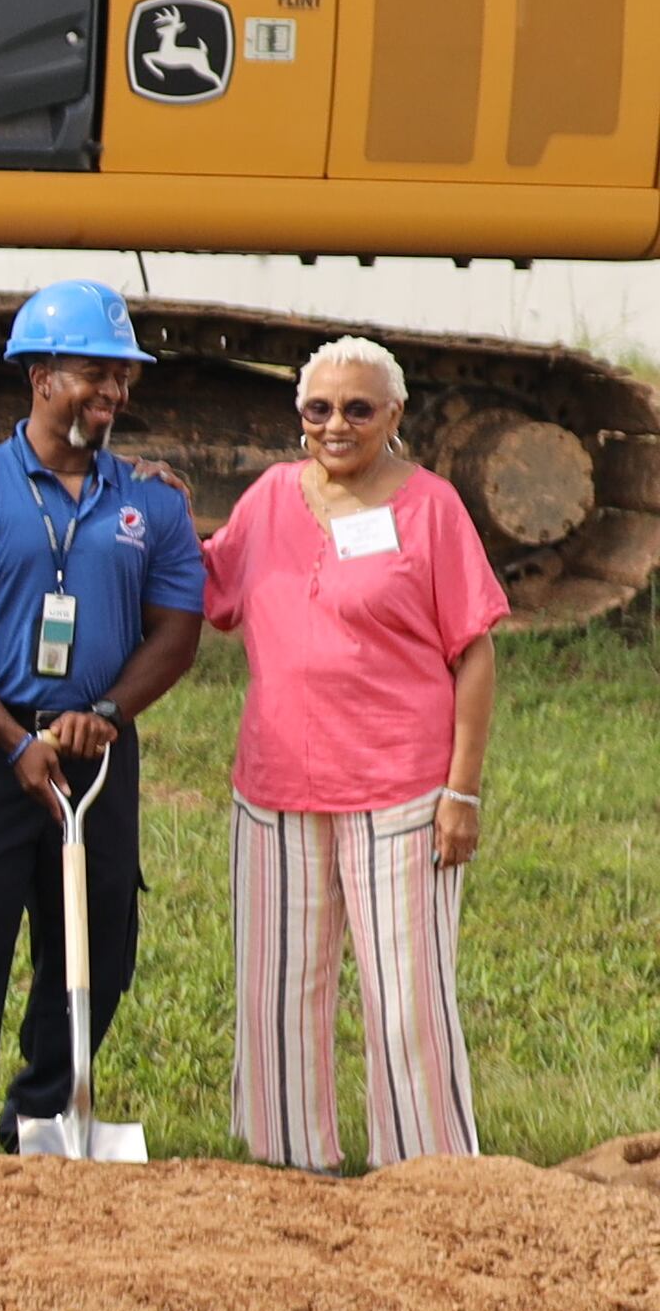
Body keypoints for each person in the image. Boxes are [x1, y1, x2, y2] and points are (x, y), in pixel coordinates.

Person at [0, 281, 204, 1154]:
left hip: (101, 747)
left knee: (97, 939)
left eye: (124, 376)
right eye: (94, 373)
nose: (113, 391)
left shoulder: (154, 502)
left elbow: (176, 634)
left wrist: (105, 713)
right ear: (39, 374)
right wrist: (14, 739)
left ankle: (42, 1110)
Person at [202, 335, 504, 1168]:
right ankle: (291, 1162)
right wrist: (154, 509)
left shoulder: (430, 506)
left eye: (358, 409)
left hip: (400, 789)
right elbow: (207, 586)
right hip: (275, 786)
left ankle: (426, 1171)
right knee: (277, 989)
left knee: (406, 999)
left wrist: (462, 791)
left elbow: (474, 651)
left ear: (394, 415)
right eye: (318, 409)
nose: (336, 425)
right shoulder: (268, 497)